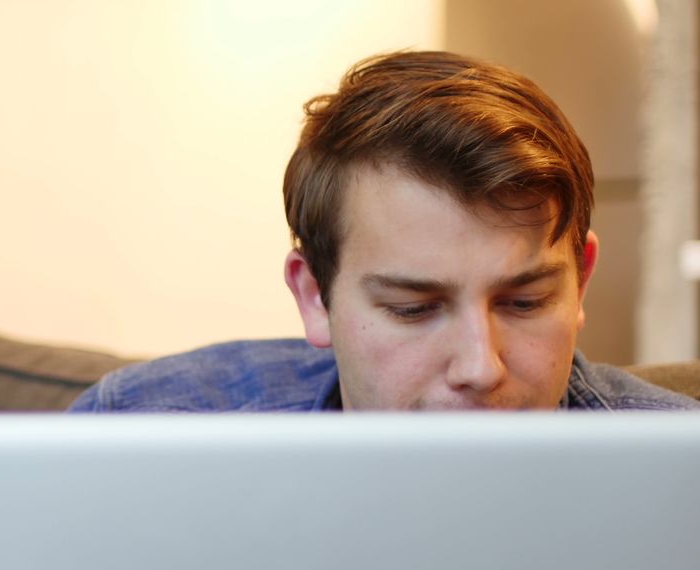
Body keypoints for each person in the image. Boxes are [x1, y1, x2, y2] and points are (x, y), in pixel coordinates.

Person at [69, 50, 700, 412]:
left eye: (525, 302)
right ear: (315, 295)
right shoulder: (143, 423)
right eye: (414, 308)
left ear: (582, 281)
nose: (481, 368)